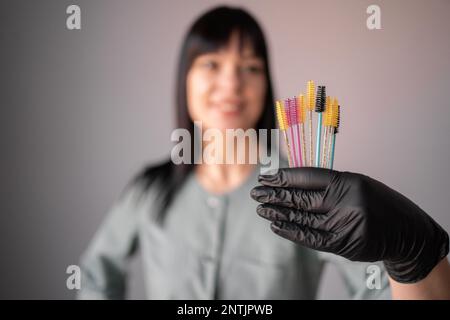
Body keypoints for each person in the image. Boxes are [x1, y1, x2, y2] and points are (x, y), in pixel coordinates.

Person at [77, 6, 447, 299]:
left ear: (266, 84)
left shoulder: (303, 199)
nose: (232, 83)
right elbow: (94, 276)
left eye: (250, 67)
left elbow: (383, 291)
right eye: (211, 64)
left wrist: (414, 255)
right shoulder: (147, 190)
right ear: (184, 79)